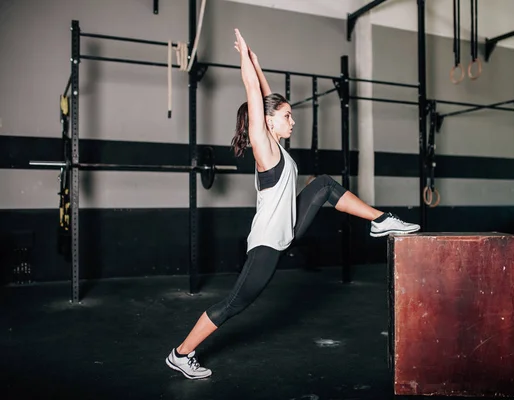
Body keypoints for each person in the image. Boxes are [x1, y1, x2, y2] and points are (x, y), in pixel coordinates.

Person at [165, 29, 420, 380]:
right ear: (268, 123)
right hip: (268, 245)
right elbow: (256, 96)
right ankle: (180, 353)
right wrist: (245, 64)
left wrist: (258, 63)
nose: (293, 120)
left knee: (324, 186)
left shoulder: (277, 145)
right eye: (287, 116)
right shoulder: (265, 148)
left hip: (288, 229)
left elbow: (267, 97)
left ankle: (380, 220)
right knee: (232, 305)